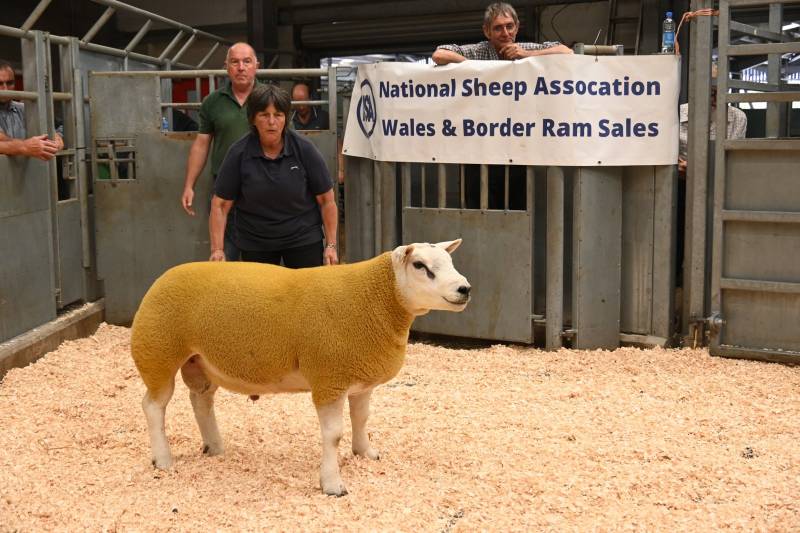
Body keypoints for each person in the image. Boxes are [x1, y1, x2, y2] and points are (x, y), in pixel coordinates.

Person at [210, 84, 338, 267]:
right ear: (253, 118)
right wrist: (217, 250)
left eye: (278, 115)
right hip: (255, 242)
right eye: (264, 115)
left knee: (305, 295)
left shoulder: (304, 149)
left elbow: (327, 200)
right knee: (260, 296)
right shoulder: (238, 153)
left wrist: (331, 245)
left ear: (285, 118)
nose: (272, 122)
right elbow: (220, 205)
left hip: (302, 238)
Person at [181, 42, 260, 261]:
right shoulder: (212, 102)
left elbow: (286, 141)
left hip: (263, 182)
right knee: (225, 252)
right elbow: (201, 144)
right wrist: (189, 185)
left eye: (247, 61)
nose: (241, 67)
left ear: (256, 66)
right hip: (225, 184)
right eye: (235, 62)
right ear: (226, 67)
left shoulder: (268, 98)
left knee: (262, 252)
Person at [432, 2, 573, 65]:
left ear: (517, 27)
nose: (505, 33)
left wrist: (527, 54)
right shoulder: (479, 52)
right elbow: (439, 55)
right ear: (487, 32)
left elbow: (567, 52)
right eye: (498, 28)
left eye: (509, 26)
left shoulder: (526, 48)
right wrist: (474, 67)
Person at [678, 63, 747, 173]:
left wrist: (699, 168)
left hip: (719, 179)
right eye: (711, 93)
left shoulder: (738, 117)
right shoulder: (679, 113)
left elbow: (734, 158)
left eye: (722, 93)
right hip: (681, 181)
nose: (716, 99)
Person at [0, 59, 64, 159]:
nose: (5, 89)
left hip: (29, 173)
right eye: (0, 84)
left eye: (10, 83)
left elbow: (57, 126)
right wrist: (24, 146)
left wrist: (57, 137)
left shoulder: (25, 108)